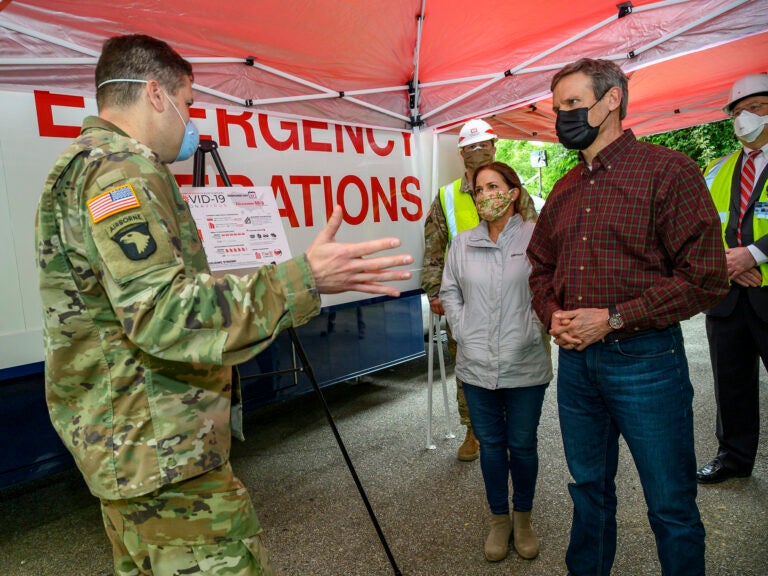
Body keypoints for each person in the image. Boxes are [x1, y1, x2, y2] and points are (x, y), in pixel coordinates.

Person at [34, 34, 412, 576]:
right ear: (155, 94)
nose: (193, 123)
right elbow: (162, 313)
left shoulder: (79, 166)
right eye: (188, 104)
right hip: (161, 453)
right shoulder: (123, 170)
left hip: (130, 448)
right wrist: (303, 277)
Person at [526, 58, 729, 576]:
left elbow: (705, 277)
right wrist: (552, 315)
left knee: (670, 503)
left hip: (647, 363)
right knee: (588, 493)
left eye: (573, 103)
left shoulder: (669, 171)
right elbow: (540, 267)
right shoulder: (566, 190)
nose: (563, 116)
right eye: (558, 108)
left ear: (612, 99)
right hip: (577, 367)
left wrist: (614, 319)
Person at [440, 161, 552, 563]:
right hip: (476, 364)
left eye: (493, 186)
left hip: (524, 361)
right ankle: (498, 520)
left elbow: (551, 286)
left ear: (513, 192)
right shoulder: (462, 243)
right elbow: (449, 292)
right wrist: (462, 326)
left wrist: (533, 325)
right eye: (478, 190)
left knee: (521, 445)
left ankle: (523, 518)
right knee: (491, 447)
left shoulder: (537, 237)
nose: (486, 195)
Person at [421, 118, 538, 462]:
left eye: (483, 145)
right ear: (460, 153)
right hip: (467, 299)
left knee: (516, 360)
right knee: (469, 365)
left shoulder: (512, 189)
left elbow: (537, 242)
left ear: (494, 147)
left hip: (512, 296)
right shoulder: (445, 197)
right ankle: (474, 429)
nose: (477, 151)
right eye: (470, 147)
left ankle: (512, 428)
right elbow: (432, 246)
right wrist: (434, 291)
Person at [697, 73, 768, 484]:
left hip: (766, 291)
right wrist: (729, 263)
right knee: (732, 384)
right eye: (738, 112)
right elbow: (700, 226)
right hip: (727, 294)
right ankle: (733, 459)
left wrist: (753, 254)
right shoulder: (717, 168)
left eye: (756, 107)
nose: (746, 118)